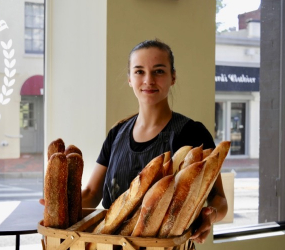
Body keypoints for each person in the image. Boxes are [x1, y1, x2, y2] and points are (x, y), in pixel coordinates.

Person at [80, 39, 228, 244]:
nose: (148, 80)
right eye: (139, 71)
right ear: (130, 79)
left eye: (158, 71)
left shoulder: (192, 134)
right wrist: (62, 206)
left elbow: (219, 199)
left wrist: (209, 216)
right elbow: (91, 193)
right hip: (108, 246)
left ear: (173, 77)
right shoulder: (117, 133)